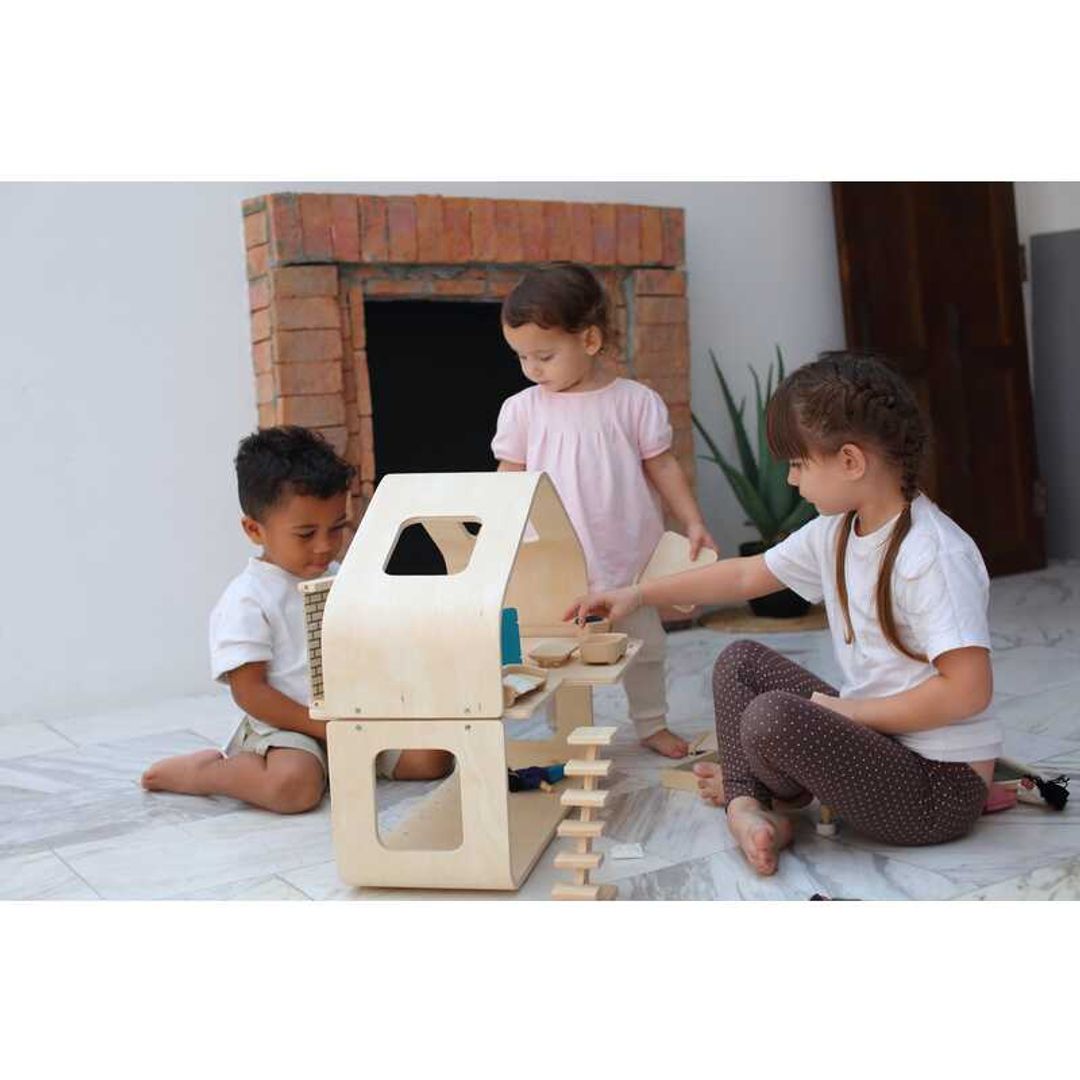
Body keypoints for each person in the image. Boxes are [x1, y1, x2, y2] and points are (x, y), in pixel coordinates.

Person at [567, 352, 1000, 875]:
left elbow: (967, 690)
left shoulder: (932, 554)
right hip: (880, 744)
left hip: (936, 791)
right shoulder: (838, 530)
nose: (792, 481)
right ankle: (748, 805)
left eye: (798, 464)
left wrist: (848, 713)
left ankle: (759, 795)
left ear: (850, 461)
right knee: (740, 661)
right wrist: (636, 594)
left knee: (771, 717)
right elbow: (746, 576)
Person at [142, 426, 452, 812]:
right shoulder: (247, 599)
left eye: (336, 528)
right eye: (305, 534)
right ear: (254, 530)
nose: (325, 545)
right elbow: (250, 692)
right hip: (285, 725)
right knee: (293, 787)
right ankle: (206, 773)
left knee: (434, 758)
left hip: (347, 713)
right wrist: (321, 728)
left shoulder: (337, 576)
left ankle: (336, 763)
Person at [493, 262, 718, 758]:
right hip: (555, 565)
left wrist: (693, 521)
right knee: (561, 657)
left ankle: (651, 723)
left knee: (646, 649)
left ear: (590, 340)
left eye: (545, 355)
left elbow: (662, 467)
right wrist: (495, 537)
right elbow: (508, 479)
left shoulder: (635, 403)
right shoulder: (523, 410)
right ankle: (569, 737)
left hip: (628, 562)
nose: (532, 368)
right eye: (522, 357)